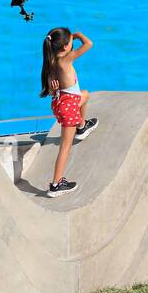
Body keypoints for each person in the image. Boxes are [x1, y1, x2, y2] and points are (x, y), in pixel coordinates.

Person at [40, 27, 98, 195]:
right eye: (71, 41)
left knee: (85, 95)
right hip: (69, 107)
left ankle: (82, 126)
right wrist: (79, 35)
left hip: (62, 101)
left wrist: (70, 38)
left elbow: (52, 88)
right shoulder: (66, 59)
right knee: (65, 146)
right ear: (65, 47)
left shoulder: (50, 61)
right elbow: (89, 44)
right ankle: (56, 184)